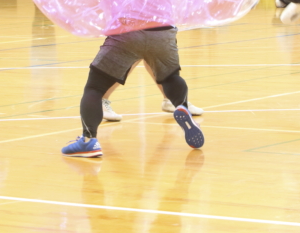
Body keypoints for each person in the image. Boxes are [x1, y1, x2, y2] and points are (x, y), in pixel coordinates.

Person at [62, 26, 204, 158]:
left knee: (94, 88)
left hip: (128, 30)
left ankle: (88, 140)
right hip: (163, 31)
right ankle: (181, 105)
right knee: (170, 77)